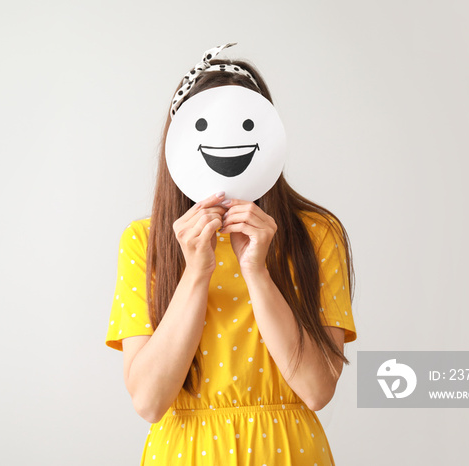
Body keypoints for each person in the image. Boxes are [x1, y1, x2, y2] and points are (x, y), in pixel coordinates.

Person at [105, 44, 357, 466]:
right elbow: (149, 401)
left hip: (287, 452)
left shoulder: (317, 234)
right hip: (185, 453)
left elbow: (317, 390)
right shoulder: (145, 241)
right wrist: (196, 271)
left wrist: (256, 271)